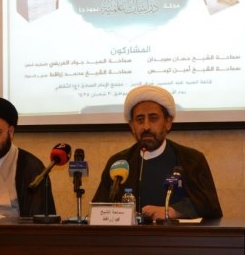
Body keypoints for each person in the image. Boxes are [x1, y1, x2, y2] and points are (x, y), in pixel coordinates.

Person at [92, 85, 223, 220]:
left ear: (168, 122)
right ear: (131, 126)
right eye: (140, 120)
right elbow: (99, 211)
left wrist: (173, 211)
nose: (146, 126)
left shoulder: (191, 160)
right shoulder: (119, 163)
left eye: (153, 118)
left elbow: (209, 206)